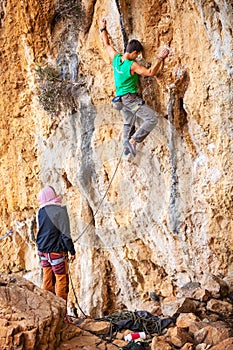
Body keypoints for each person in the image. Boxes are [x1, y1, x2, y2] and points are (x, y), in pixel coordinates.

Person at [100, 18, 169, 157]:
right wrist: (160, 59)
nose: (138, 57)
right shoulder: (131, 65)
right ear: (134, 52)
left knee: (128, 121)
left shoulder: (116, 58)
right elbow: (150, 73)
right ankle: (132, 141)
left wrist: (103, 28)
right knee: (151, 119)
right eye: (138, 54)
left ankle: (125, 145)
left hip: (119, 100)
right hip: (130, 99)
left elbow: (107, 44)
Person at [36, 185, 76, 303]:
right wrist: (72, 251)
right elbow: (65, 234)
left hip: (42, 251)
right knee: (61, 280)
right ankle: (62, 312)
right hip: (56, 252)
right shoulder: (60, 211)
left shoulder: (41, 211)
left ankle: (47, 307)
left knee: (47, 279)